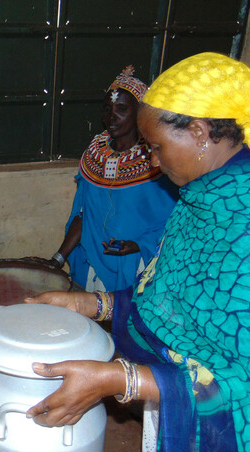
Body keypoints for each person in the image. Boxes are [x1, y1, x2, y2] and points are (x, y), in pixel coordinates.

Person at [25, 52, 250, 452]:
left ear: (201, 133)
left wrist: (118, 377)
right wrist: (92, 303)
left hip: (231, 444)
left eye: (158, 146)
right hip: (178, 407)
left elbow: (241, 378)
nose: (151, 160)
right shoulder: (201, 200)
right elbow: (171, 299)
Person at [50, 66, 178, 292]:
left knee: (126, 322)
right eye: (107, 108)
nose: (112, 116)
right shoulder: (94, 153)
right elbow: (83, 216)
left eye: (122, 109)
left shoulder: (157, 160)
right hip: (94, 263)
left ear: (140, 112)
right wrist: (58, 259)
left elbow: (175, 223)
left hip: (138, 265)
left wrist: (139, 244)